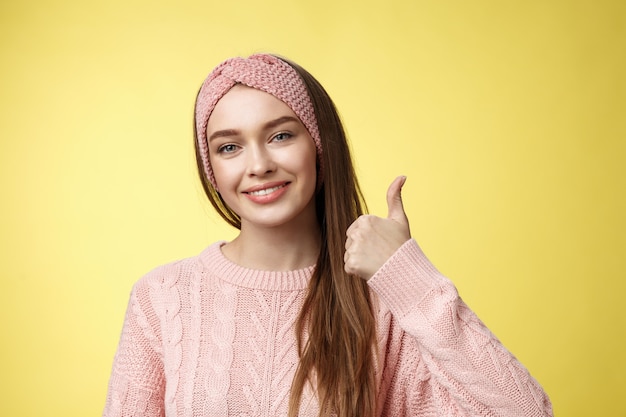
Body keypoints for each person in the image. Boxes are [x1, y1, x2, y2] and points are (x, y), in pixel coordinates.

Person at [102, 53, 553, 417]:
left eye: (280, 136)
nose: (258, 164)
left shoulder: (382, 301)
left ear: (319, 146)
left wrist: (409, 278)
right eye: (229, 146)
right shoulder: (162, 297)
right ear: (212, 170)